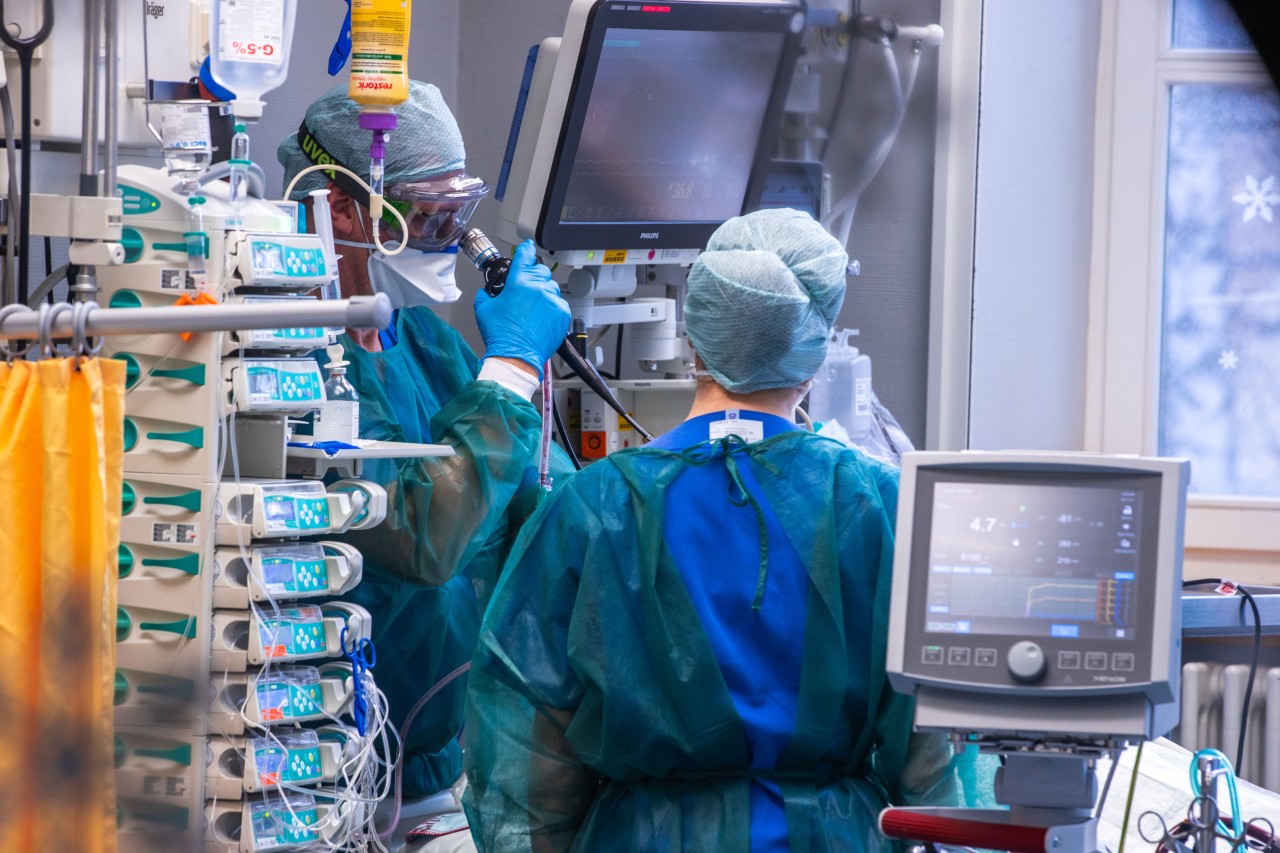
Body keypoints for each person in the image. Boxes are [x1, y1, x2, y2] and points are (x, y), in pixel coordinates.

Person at [462, 208, 986, 851]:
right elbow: (941, 766)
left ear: (694, 340)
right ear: (815, 355)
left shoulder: (596, 506)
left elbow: (525, 762)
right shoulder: (878, 505)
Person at [276, 82, 571, 821]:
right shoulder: (294, 364)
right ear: (337, 207)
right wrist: (508, 371)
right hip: (319, 768)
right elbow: (423, 534)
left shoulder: (426, 345)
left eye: (457, 214)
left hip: (436, 763)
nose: (448, 238)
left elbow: (530, 499)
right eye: (426, 216)